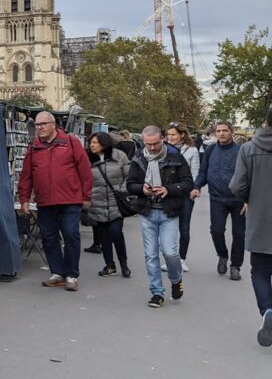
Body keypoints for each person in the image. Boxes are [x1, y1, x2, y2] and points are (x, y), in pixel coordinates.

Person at [19, 111, 93, 292]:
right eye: (37, 125)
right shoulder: (34, 147)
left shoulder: (70, 142)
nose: (40, 128)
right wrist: (24, 199)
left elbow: (85, 171)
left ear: (53, 125)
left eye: (43, 124)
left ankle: (72, 274)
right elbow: (26, 176)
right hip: (45, 202)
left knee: (70, 234)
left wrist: (86, 196)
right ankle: (57, 273)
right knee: (49, 238)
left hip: (70, 200)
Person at [126, 125, 194, 308]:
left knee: (170, 252)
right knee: (150, 255)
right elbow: (130, 184)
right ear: (143, 142)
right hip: (147, 211)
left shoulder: (175, 156)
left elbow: (188, 182)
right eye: (148, 144)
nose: (153, 148)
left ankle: (175, 279)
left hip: (168, 211)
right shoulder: (139, 157)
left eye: (156, 143)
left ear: (162, 139)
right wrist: (142, 189)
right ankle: (157, 293)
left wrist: (168, 189)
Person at [229, 105, 272, 346]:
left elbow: (237, 186)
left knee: (261, 271)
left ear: (266, 122)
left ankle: (267, 310)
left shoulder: (249, 148)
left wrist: (248, 199)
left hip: (261, 219)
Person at [196, 120, 245, 280]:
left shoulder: (241, 151)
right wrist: (196, 186)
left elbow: (249, 176)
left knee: (239, 234)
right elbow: (203, 171)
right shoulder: (210, 151)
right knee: (216, 230)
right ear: (215, 133)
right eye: (218, 131)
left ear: (232, 132)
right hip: (217, 198)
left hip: (238, 199)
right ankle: (222, 255)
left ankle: (235, 266)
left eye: (225, 130)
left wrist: (248, 198)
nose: (222, 133)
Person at [86, 132, 132, 278]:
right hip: (97, 203)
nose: (91, 145)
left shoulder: (119, 156)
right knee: (103, 235)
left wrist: (122, 190)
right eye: (91, 142)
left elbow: (129, 175)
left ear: (104, 143)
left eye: (95, 142)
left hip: (116, 202)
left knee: (116, 232)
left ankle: (124, 264)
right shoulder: (86, 158)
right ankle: (110, 265)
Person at [167, 123, 200, 272]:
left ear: (182, 135)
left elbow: (195, 172)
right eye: (168, 135)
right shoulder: (164, 149)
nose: (170, 137)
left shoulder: (192, 150)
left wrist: (193, 189)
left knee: (184, 227)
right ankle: (170, 258)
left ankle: (181, 259)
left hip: (186, 194)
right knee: (168, 227)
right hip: (168, 193)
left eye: (173, 134)